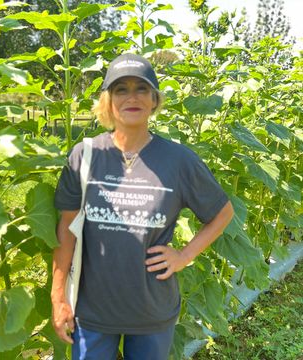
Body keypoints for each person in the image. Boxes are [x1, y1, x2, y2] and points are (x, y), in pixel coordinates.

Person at [51, 53, 234, 360]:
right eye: (121, 89)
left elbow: (222, 212)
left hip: (152, 312)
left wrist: (184, 256)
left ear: (154, 100)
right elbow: (66, 232)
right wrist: (58, 297)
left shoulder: (178, 160)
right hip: (92, 311)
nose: (132, 97)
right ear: (108, 101)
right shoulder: (85, 156)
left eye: (141, 88)